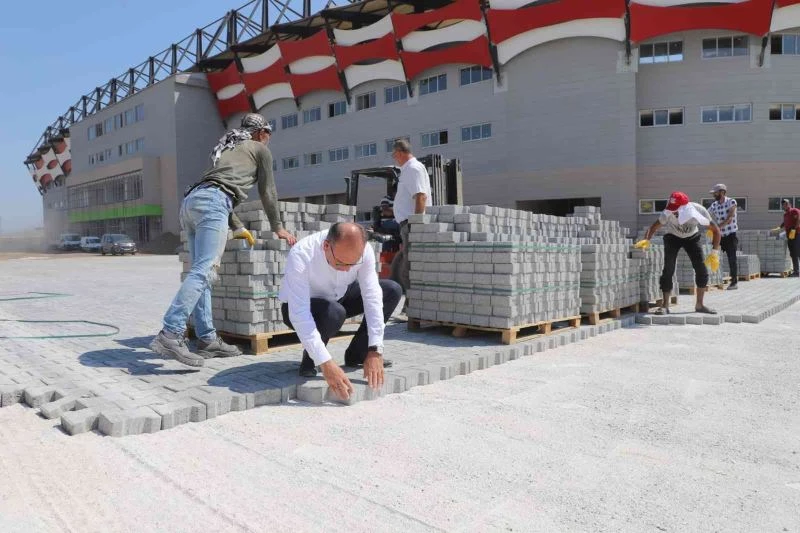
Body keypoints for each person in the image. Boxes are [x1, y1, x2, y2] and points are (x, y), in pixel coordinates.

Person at [150, 113, 296, 367]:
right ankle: (170, 333)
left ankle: (207, 339)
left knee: (202, 273)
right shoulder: (259, 149)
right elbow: (267, 190)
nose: (268, 140)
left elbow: (217, 186)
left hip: (191, 203)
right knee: (204, 272)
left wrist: (237, 226)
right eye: (268, 135)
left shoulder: (227, 146)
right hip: (214, 203)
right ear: (261, 133)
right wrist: (278, 227)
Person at [279, 223, 402, 400]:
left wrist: (376, 349)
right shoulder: (302, 253)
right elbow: (299, 313)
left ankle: (358, 355)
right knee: (334, 312)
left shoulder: (363, 249)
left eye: (352, 264)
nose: (346, 269)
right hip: (302, 307)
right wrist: (326, 363)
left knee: (391, 290)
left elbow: (372, 296)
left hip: (339, 296)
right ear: (326, 246)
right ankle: (311, 359)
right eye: (340, 263)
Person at [635, 191, 722, 315]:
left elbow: (716, 230)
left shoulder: (698, 211)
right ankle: (665, 306)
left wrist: (714, 253)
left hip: (692, 237)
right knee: (668, 269)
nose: (673, 212)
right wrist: (646, 240)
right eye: (672, 209)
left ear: (685, 207)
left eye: (676, 210)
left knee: (701, 269)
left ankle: (700, 305)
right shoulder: (667, 213)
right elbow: (653, 227)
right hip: (672, 237)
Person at [390, 139, 431, 293]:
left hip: (410, 223)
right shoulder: (408, 170)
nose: (395, 158)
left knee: (410, 266)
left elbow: (420, 196)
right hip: (407, 223)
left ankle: (412, 304)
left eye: (394, 155)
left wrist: (416, 224)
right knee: (409, 264)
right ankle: (412, 304)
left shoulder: (413, 168)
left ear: (400, 152)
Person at [708, 183, 739, 290]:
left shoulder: (731, 202)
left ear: (722, 192)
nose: (714, 195)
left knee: (732, 259)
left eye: (715, 193)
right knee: (714, 255)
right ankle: (713, 279)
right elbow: (706, 214)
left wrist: (717, 227)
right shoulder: (714, 205)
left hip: (730, 235)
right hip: (720, 236)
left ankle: (734, 282)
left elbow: (730, 217)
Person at [773, 198, 800, 277]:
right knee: (792, 253)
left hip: (797, 234)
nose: (784, 206)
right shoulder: (785, 214)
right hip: (790, 235)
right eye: (783, 205)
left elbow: (799, 219)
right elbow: (785, 222)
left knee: (796, 252)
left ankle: (797, 271)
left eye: (786, 204)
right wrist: (779, 227)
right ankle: (796, 271)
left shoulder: (795, 211)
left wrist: (794, 229)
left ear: (789, 204)